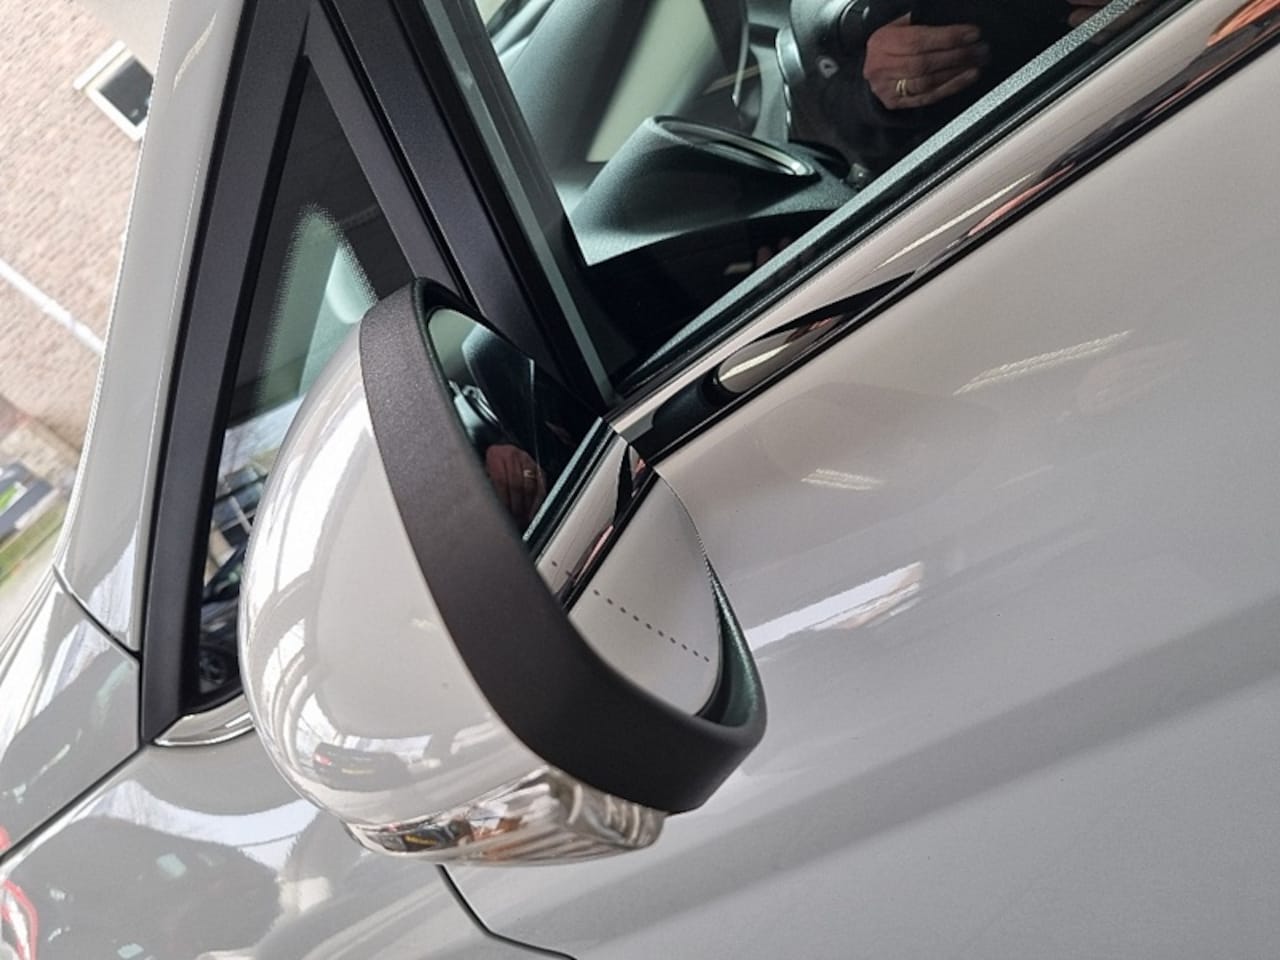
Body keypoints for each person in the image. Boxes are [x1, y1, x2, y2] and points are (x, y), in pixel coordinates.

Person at [788, 0, 1109, 173]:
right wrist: (878, 91)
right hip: (984, 173)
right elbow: (842, 110)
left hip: (1100, 127)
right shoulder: (831, 17)